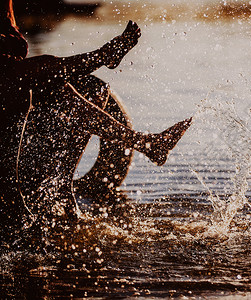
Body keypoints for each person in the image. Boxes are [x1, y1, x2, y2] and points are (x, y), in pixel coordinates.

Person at [0, 0, 191, 243]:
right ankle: (103, 57)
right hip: (9, 92)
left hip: (12, 89)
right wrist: (96, 58)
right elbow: (14, 69)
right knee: (39, 71)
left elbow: (15, 57)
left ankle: (61, 187)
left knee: (92, 89)